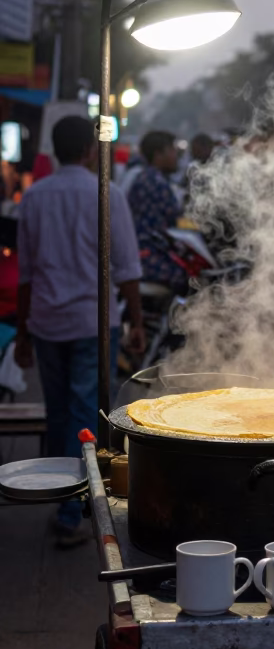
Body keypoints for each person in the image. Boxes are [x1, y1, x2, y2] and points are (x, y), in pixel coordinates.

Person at [15, 116, 145, 547]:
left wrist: (24, 334)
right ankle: (74, 507)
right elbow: (127, 268)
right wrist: (138, 321)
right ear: (91, 151)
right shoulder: (108, 192)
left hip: (48, 322)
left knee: (58, 412)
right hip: (93, 324)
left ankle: (60, 496)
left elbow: (26, 274)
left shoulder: (34, 196)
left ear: (54, 150)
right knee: (85, 413)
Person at [127, 130, 185, 291]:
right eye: (172, 151)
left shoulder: (145, 177)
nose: (175, 156)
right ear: (158, 154)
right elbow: (176, 219)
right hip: (151, 255)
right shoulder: (156, 182)